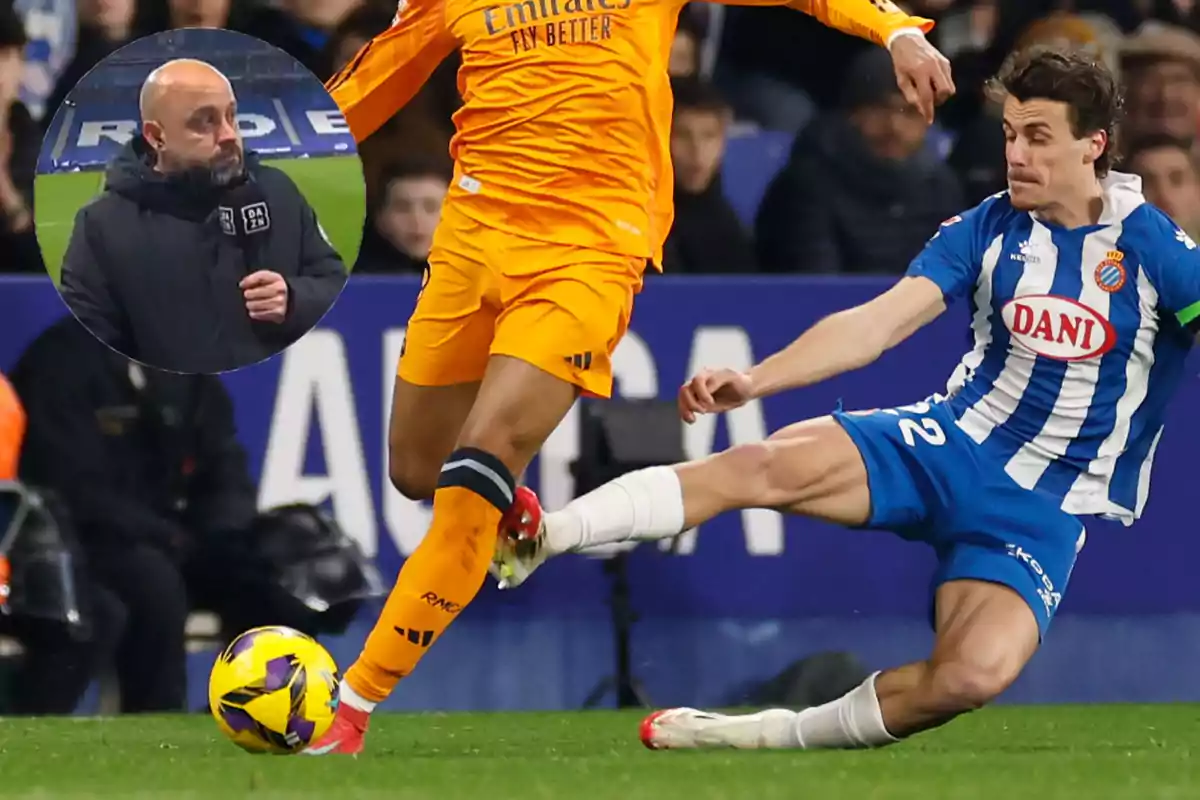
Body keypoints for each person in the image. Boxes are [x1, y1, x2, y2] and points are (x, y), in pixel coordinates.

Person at [494, 47, 1200, 750]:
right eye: (1011, 134)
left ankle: (758, 738)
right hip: (948, 444)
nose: (1016, 153)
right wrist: (757, 379)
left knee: (967, 679)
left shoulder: (1158, 252)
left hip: (1041, 510)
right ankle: (546, 535)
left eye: (1038, 137)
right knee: (759, 466)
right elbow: (877, 323)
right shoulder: (987, 227)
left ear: (1094, 146)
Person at [309, 0, 955, 755]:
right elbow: (377, 77)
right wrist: (274, 168)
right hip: (472, 243)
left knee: (472, 473)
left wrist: (895, 29)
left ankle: (351, 707)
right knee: (417, 469)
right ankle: (507, 505)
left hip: (589, 250)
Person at [58, 58, 347, 374]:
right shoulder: (102, 225)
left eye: (231, 117)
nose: (228, 135)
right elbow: (91, 343)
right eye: (204, 122)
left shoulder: (277, 191)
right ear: (157, 137)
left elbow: (335, 286)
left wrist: (293, 299)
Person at [662, 77, 755, 274]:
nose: (697, 151)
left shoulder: (728, 226)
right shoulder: (640, 225)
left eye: (709, 136)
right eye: (682, 135)